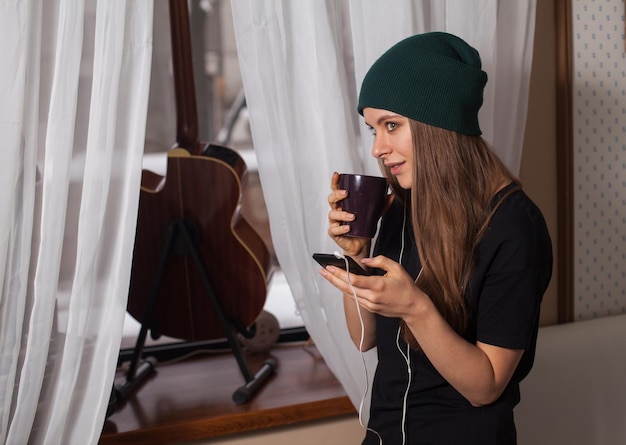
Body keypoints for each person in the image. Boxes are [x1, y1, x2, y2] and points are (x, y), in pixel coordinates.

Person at [319, 32, 553, 445]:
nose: (377, 148)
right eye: (373, 129)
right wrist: (355, 255)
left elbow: (486, 387)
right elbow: (365, 337)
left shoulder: (514, 227)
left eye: (391, 125)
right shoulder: (399, 208)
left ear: (439, 122)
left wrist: (415, 308)